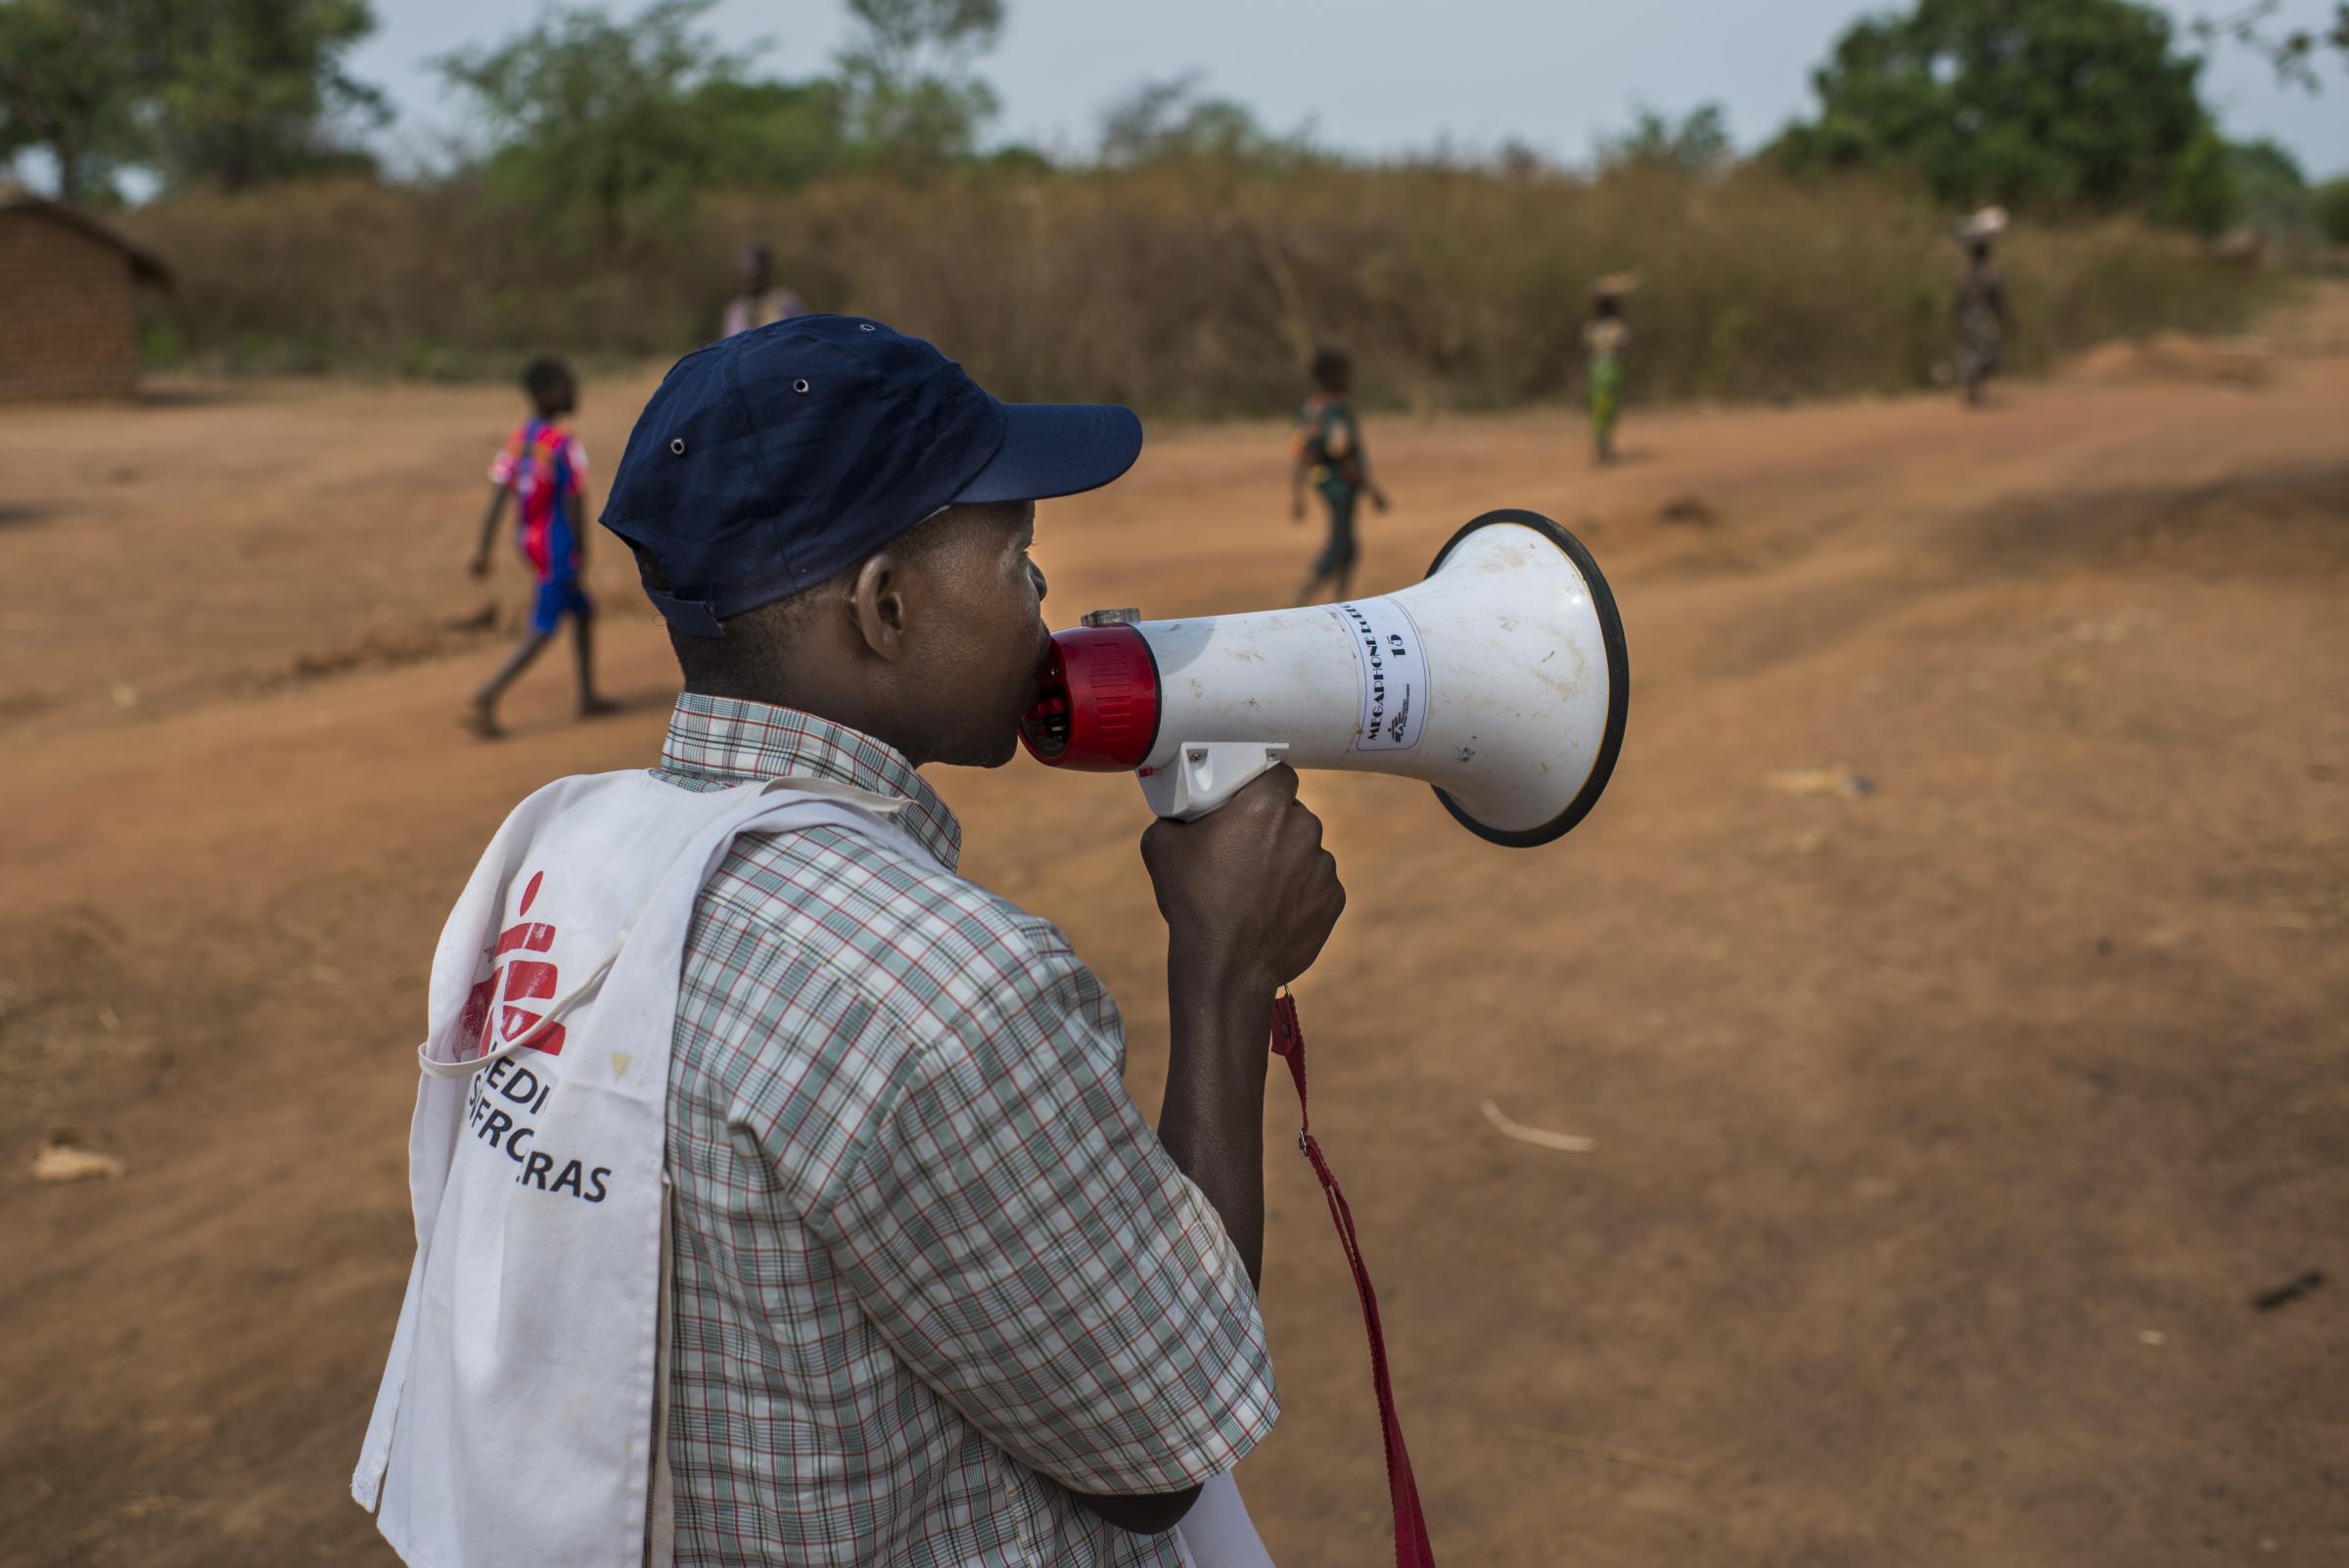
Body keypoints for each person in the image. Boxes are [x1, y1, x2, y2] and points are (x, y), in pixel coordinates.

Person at [355, 315, 1346, 1568]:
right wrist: (1226, 974)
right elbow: (1158, 1452)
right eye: (1016, 560)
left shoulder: (569, 856)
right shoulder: (938, 984)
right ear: (884, 608)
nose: (1042, 599)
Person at [464, 356, 616, 737]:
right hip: (557, 546)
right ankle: (487, 693)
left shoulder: (520, 440)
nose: (573, 392)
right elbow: (573, 501)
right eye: (567, 385)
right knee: (544, 627)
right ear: (548, 393)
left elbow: (499, 495)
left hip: (529, 540)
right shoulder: (563, 444)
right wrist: (580, 554)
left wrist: (483, 549)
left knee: (582, 611)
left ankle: (587, 696)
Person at [1288, 346, 1388, 605]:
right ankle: (1300, 601)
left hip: (1323, 481)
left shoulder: (1311, 408)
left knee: (1350, 548)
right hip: (1340, 485)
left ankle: (1342, 603)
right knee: (1339, 545)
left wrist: (1298, 493)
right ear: (1333, 377)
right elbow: (1341, 451)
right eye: (1345, 374)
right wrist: (1371, 488)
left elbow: (1300, 451)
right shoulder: (1336, 411)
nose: (1350, 379)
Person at [1953, 207, 2008, 408]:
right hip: (1980, 319)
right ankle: (1974, 388)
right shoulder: (1986, 274)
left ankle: (1974, 387)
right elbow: (1997, 297)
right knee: (1981, 353)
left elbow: (1959, 298)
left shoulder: (1969, 274)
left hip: (1973, 318)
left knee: (1977, 353)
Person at [1584, 275, 1635, 465]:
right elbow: (1624, 345)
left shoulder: (1592, 328)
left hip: (1595, 369)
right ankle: (1605, 446)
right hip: (1611, 369)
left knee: (1598, 407)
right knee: (1610, 407)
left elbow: (1587, 348)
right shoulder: (1617, 327)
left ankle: (1601, 444)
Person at [721, 242, 806, 340]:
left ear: (766, 271)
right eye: (743, 271)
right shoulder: (735, 310)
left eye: (753, 270)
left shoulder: (787, 302)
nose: (748, 276)